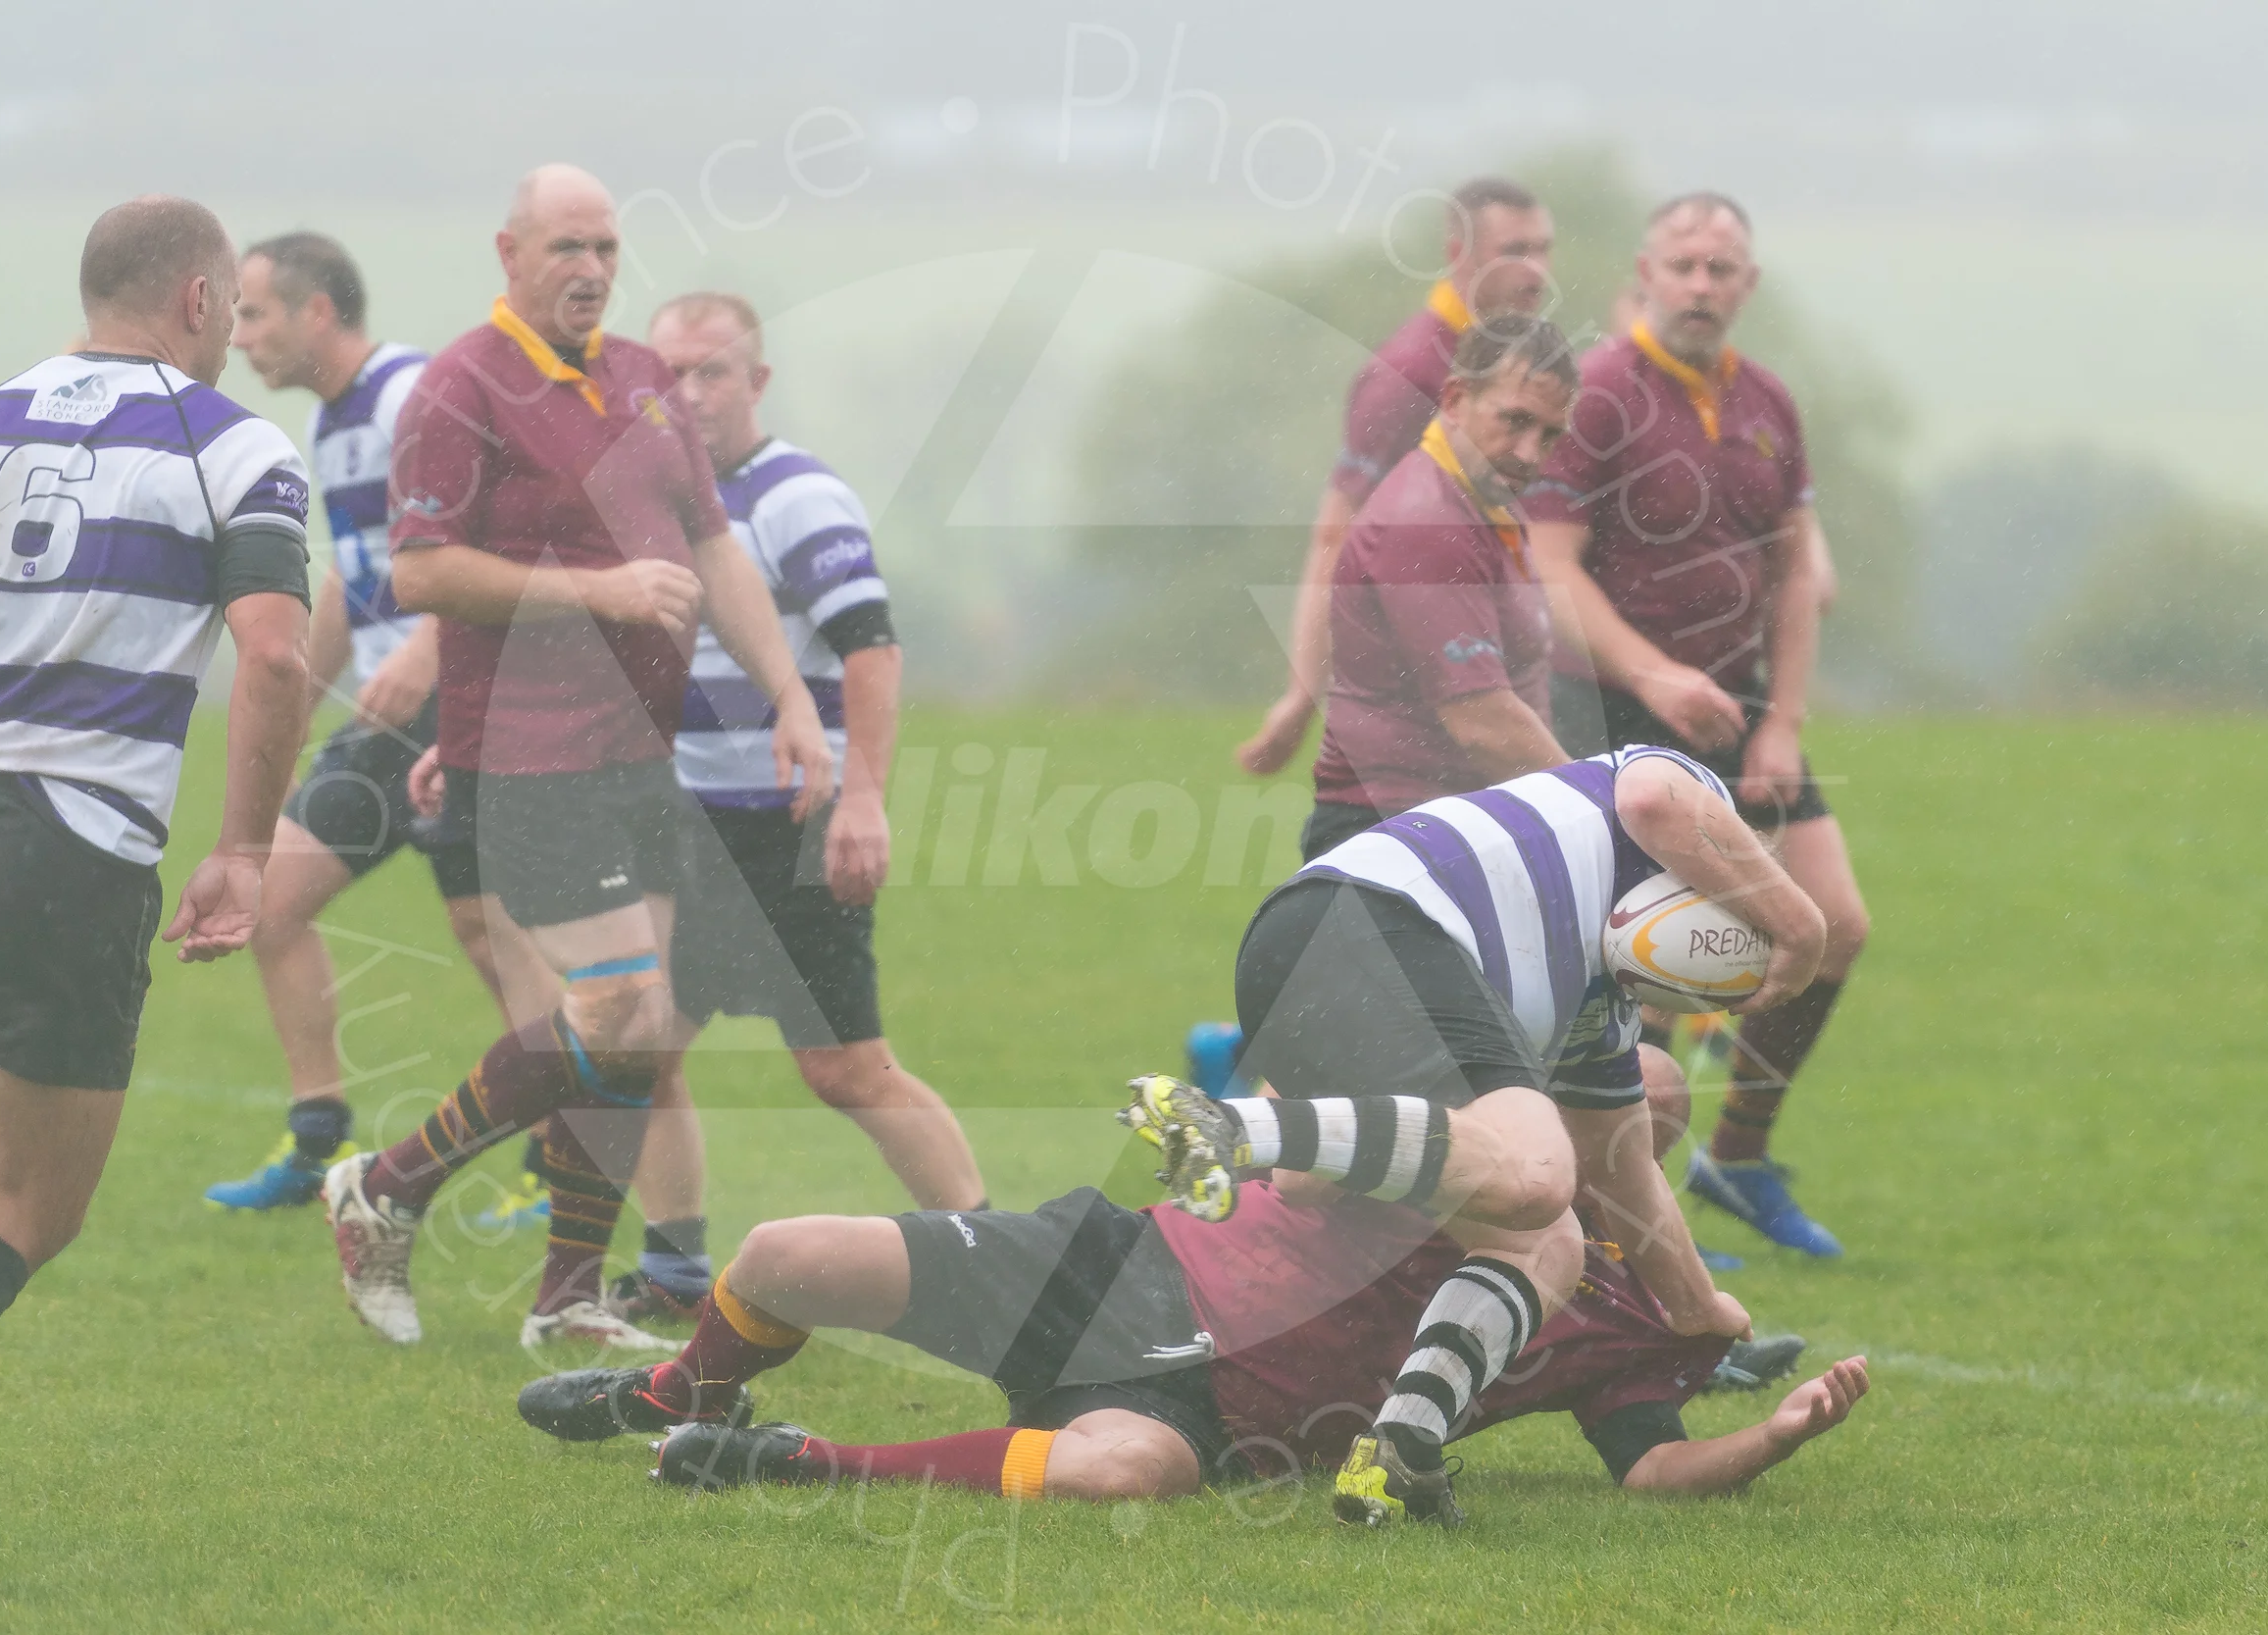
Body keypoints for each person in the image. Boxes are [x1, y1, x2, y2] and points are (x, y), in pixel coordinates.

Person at [0, 196, 314, 1526]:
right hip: (62, 835)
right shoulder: (231, 444)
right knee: (26, 1201)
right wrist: (243, 849)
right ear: (199, 300)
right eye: (229, 306)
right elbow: (275, 653)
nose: (230, 330)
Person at [512, 1051, 1869, 1512]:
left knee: (1122, 1472)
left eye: (1632, 1123)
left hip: (1216, 1414)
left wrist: (1776, 1434)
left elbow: (1650, 1468)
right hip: (1122, 1265)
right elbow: (1314, 1164)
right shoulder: (1462, 1139)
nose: (1604, 1133)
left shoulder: (1639, 1307)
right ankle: (673, 1388)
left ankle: (792, 1460)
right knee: (782, 1255)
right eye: (1596, 1107)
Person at [319, 165, 832, 1352]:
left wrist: (791, 697)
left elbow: (712, 544)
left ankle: (568, 1295)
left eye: (605, 246)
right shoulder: (458, 387)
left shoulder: (642, 377)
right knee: (619, 1009)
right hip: (527, 754)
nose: (592, 269)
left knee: (636, 1034)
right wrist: (599, 590)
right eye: (566, 248)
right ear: (510, 255)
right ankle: (386, 1184)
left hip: (639, 754)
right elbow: (420, 571)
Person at [1124, 742, 1828, 1523]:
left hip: (1292, 946)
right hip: (1379, 919)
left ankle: (1399, 1450)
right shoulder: (1671, 793)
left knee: (1536, 1234)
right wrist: (1801, 927)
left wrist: (1698, 1308)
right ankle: (1228, 1122)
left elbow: (1620, 1162)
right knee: (1536, 1175)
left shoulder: (1596, 1009)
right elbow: (1653, 797)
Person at [598, 293, 987, 1319]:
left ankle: (1002, 1261)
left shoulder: (798, 497)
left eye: (712, 372)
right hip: (683, 821)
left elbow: (873, 649)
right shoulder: (647, 499)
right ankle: (675, 1273)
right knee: (642, 1047)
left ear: (756, 382)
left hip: (790, 821)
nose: (688, 394)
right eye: (669, 374)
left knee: (847, 1069)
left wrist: (861, 802)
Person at [1528, 193, 1869, 1258]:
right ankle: (1635, 1213)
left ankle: (1740, 1155)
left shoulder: (1768, 400)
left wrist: (1784, 721)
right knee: (1652, 958)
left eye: (1721, 268)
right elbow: (1548, 564)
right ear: (1645, 273)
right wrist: (1650, 671)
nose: (1700, 284)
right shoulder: (1597, 394)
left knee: (1834, 923)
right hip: (1612, 707)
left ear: (1746, 284)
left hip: (1740, 705)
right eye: (1682, 264)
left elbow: (1795, 575)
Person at [203, 230, 558, 1212]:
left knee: (493, 936)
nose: (240, 337)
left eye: (254, 313)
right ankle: (318, 1139)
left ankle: (563, 1160)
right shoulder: (333, 419)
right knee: (269, 900)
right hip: (389, 721)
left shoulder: (414, 394)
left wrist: (429, 647)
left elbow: (509, 535)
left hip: (468, 702)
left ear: (318, 312)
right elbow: (354, 577)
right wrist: (296, 701)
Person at [1236, 177, 1554, 783]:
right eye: (1515, 251)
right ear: (1458, 253)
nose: (1536, 270)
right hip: (1427, 712)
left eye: (1543, 249)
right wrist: (1302, 695)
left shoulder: (1520, 362)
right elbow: (1338, 534)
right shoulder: (1408, 373)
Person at [1299, 315, 1577, 861]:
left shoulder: (1484, 498)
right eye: (1515, 420)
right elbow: (1482, 721)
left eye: (1549, 434)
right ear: (1454, 399)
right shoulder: (1427, 522)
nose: (1530, 453)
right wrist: (1600, 811)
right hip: (1392, 842)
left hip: (1454, 831)